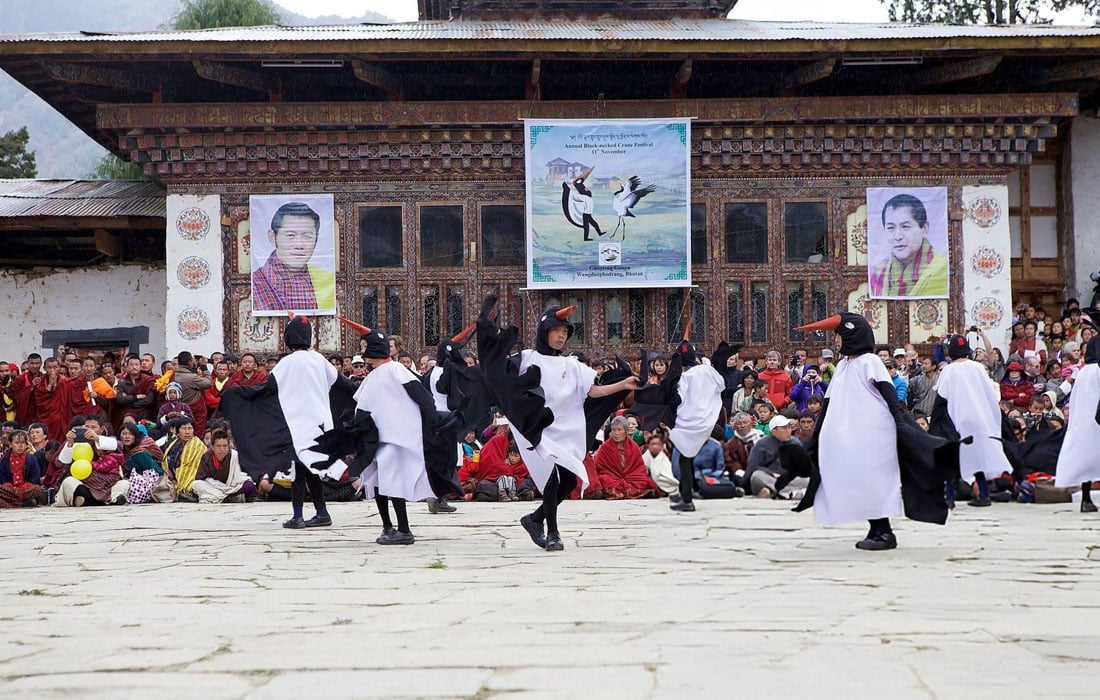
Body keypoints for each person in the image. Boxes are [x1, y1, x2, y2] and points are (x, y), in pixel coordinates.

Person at [477, 297, 639, 552]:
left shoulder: (572, 365)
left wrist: (622, 385)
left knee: (569, 482)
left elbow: (592, 392)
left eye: (565, 332)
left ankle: (534, 519)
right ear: (544, 331)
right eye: (556, 331)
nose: (561, 337)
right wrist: (488, 336)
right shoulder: (527, 359)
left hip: (569, 429)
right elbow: (499, 374)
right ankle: (553, 532)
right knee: (552, 479)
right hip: (539, 427)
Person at [792, 312, 950, 550]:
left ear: (851, 335)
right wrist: (817, 435)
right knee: (861, 482)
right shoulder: (844, 366)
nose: (835, 341)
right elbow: (828, 402)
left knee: (875, 482)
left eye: (838, 336)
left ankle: (883, 532)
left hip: (875, 436)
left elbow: (887, 392)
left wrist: (899, 422)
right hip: (856, 437)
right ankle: (877, 529)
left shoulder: (870, 362)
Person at [335, 319, 465, 545]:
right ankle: (387, 526)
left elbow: (423, 397)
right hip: (378, 438)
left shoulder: (396, 370)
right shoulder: (374, 376)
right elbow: (364, 407)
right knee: (376, 482)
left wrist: (433, 423)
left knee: (391, 482)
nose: (362, 351)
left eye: (365, 347)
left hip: (398, 438)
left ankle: (404, 529)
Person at [222, 314, 355, 529]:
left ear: (289, 338)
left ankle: (299, 515)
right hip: (322, 425)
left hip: (297, 424)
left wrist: (238, 394)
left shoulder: (287, 363)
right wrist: (362, 393)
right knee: (306, 467)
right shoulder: (319, 360)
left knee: (300, 469)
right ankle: (320, 513)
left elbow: (265, 389)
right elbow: (343, 384)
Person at [930, 335, 1013, 508]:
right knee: (977, 457)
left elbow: (941, 397)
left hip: (958, 419)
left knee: (953, 458)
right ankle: (983, 494)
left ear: (951, 352)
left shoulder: (949, 370)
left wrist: (936, 424)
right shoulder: (978, 368)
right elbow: (990, 393)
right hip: (980, 419)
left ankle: (949, 497)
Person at [664, 330, 732, 512]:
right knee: (690, 456)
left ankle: (687, 499)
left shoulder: (683, 378)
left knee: (685, 458)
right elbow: (722, 384)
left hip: (688, 423)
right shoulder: (707, 370)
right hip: (707, 420)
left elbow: (677, 399)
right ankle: (692, 490)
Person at [251, 201, 336, 312]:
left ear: (316, 238)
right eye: (290, 235)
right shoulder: (255, 283)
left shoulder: (326, 281)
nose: (299, 245)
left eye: (307, 236)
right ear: (272, 237)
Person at [869, 193, 948, 297]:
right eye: (890, 228)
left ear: (924, 228)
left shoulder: (942, 269)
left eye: (905, 226)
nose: (897, 236)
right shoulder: (877, 273)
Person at [1055, 332, 1100, 511]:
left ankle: (1086, 498)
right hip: (1095, 419)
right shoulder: (1096, 371)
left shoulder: (1082, 373)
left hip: (1083, 423)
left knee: (1086, 455)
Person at [744, 415, 812, 499]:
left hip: (790, 479)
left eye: (789, 428)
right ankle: (790, 493)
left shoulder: (795, 442)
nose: (788, 431)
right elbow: (753, 467)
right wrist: (771, 474)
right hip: (770, 478)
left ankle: (776, 492)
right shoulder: (761, 444)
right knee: (757, 476)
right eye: (784, 428)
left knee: (808, 479)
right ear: (774, 431)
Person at [592, 417, 658, 499]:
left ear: (626, 431)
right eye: (613, 430)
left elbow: (639, 467)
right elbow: (598, 468)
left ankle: (622, 492)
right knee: (604, 479)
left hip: (631, 476)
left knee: (644, 480)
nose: (616, 433)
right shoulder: (605, 447)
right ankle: (629, 492)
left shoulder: (634, 446)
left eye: (619, 430)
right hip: (612, 477)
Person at [192, 430, 255, 503]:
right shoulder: (206, 457)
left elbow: (241, 477)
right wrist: (218, 485)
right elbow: (201, 478)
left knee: (248, 484)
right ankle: (227, 497)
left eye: (225, 446)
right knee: (196, 484)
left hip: (232, 487)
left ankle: (220, 497)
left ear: (229, 446)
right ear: (212, 447)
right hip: (214, 487)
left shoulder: (234, 456)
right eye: (218, 446)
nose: (222, 449)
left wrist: (228, 487)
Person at [0, 430, 43, 508]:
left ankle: (11, 503)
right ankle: (23, 503)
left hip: (25, 490)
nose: (20, 446)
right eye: (17, 443)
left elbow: (34, 479)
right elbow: (2, 479)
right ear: (10, 444)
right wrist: (10, 488)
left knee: (37, 489)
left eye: (23, 443)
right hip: (9, 489)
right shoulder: (4, 460)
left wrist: (22, 489)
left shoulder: (31, 459)